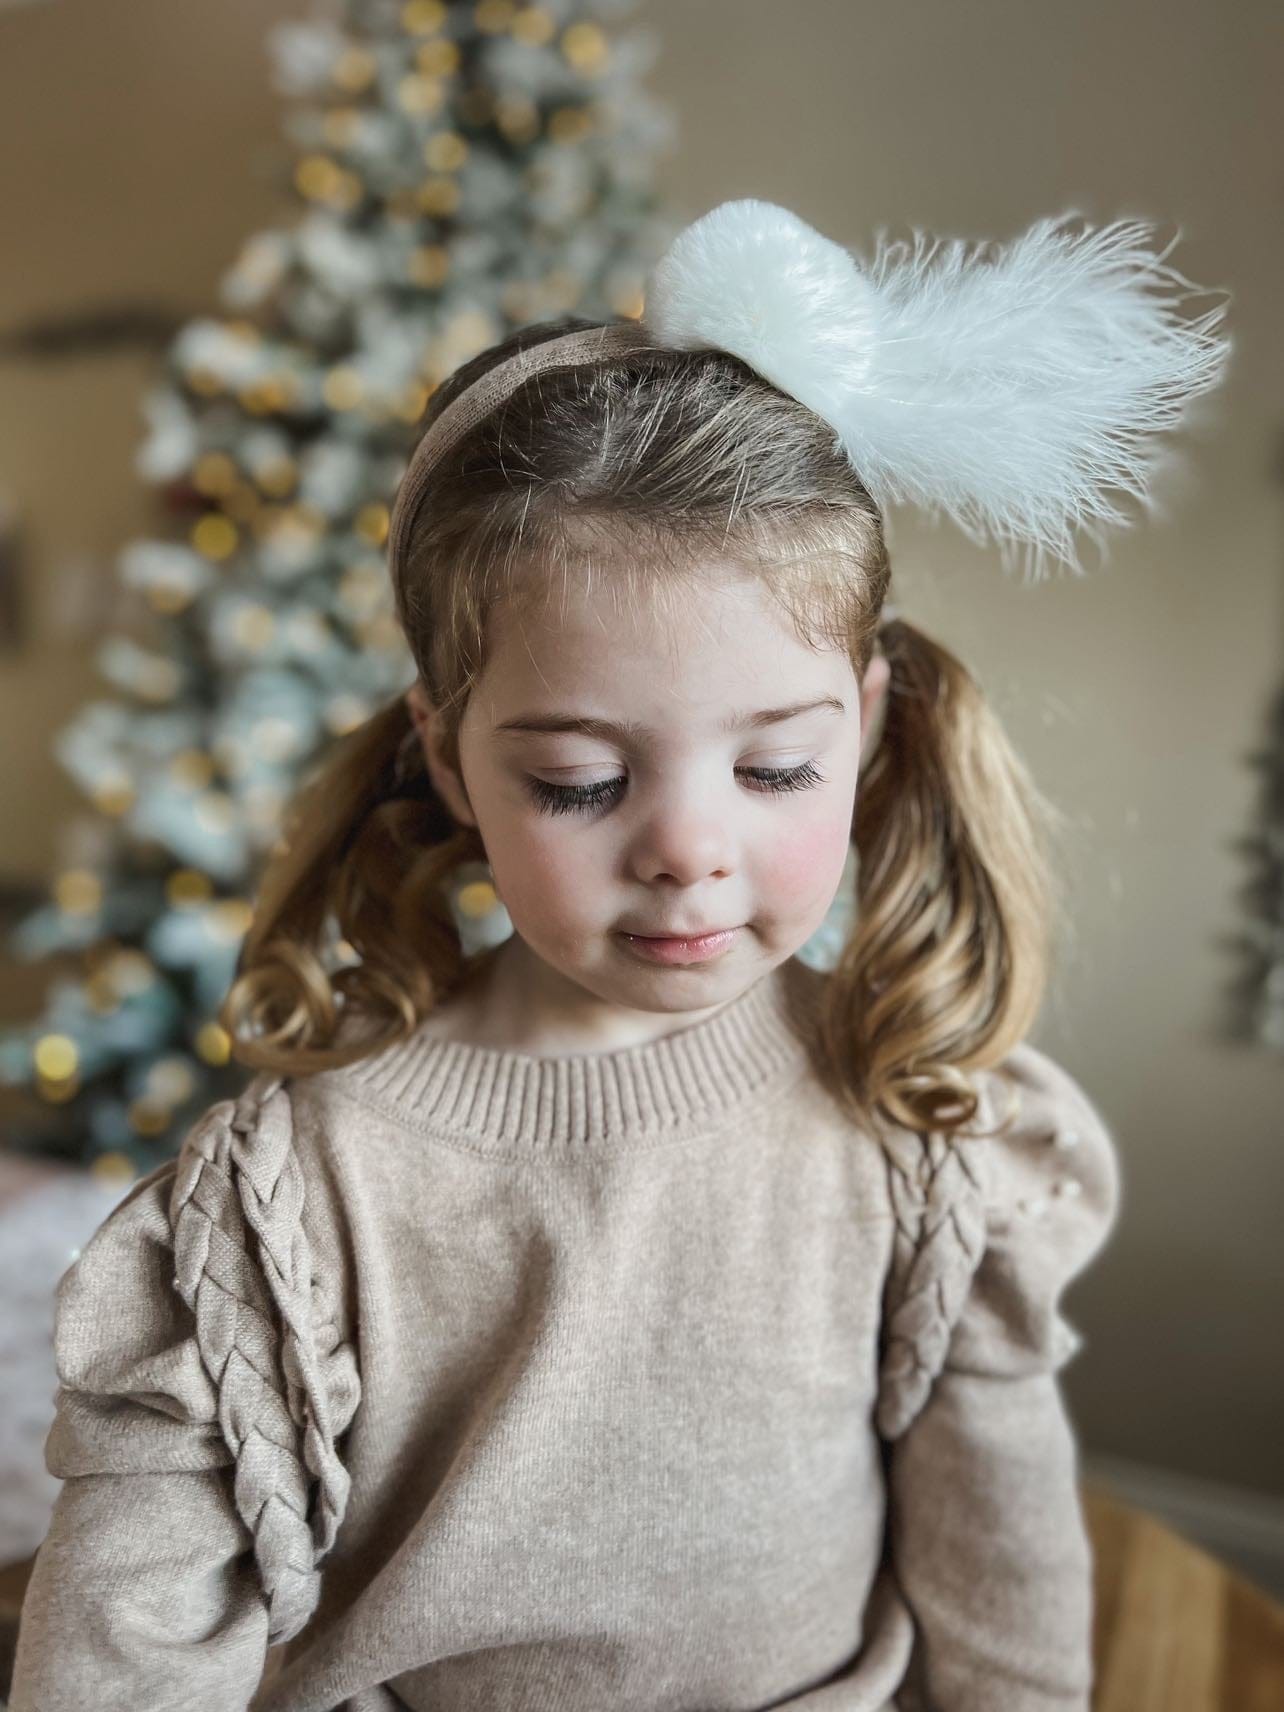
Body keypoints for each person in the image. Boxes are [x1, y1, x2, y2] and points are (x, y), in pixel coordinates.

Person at [10, 198, 1229, 1712]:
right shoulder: (297, 1198)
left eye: (774, 769)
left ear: (865, 725)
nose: (685, 849)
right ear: (450, 765)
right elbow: (123, 1649)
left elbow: (999, 1559)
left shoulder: (913, 1109)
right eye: (581, 782)